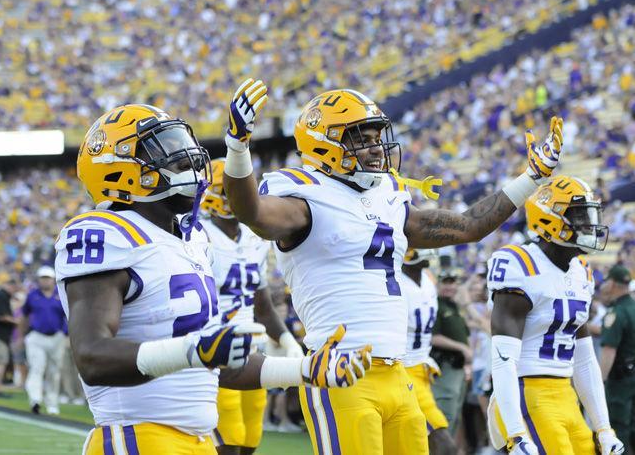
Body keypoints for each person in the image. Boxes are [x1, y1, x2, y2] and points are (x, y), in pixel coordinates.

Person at [221, 78, 564, 455]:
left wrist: (531, 177)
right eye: (360, 138)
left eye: (375, 136)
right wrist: (238, 148)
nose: (374, 148)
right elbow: (250, 211)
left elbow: (468, 227)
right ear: (324, 143)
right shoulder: (303, 195)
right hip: (339, 373)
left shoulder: (387, 197)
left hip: (399, 375)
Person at [55, 103, 371, 454]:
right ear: (122, 170)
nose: (188, 158)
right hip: (137, 437)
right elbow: (91, 356)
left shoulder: (193, 239)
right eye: (167, 149)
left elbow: (225, 367)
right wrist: (195, 351)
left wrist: (305, 370)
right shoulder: (105, 233)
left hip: (200, 439)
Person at [487, 175, 624, 455]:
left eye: (590, 215)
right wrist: (516, 434)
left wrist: (603, 427)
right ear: (550, 218)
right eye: (579, 216)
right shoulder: (520, 264)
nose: (589, 224)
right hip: (527, 392)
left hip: (566, 394)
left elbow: (585, 361)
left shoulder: (581, 271)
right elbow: (502, 362)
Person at [200, 158, 304, 455]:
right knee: (227, 444)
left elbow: (262, 306)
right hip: (217, 351)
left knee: (249, 442)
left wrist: (286, 340)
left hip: (251, 351)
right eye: (231, 190)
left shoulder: (253, 238)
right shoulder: (200, 237)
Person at [401, 248, 457, 454]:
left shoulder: (428, 278)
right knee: (443, 441)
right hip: (402, 369)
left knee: (416, 443)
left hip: (421, 367)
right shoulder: (394, 282)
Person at [20, 266, 67, 415]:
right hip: (36, 336)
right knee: (37, 367)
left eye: (47, 278)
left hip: (57, 337)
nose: (45, 281)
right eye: (42, 278)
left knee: (54, 371)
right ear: (39, 280)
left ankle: (52, 403)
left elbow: (69, 316)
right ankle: (35, 400)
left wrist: (68, 335)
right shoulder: (32, 295)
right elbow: (24, 316)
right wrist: (21, 336)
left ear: (53, 279)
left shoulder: (61, 294)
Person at [429, 269, 471, 436]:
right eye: (445, 282)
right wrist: (462, 348)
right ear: (437, 284)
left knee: (454, 415)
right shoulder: (435, 304)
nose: (449, 286)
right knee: (445, 413)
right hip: (444, 365)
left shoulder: (453, 306)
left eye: (452, 282)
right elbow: (433, 337)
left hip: (457, 367)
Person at [600, 265, 635, 452]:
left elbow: (609, 351)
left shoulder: (617, 313)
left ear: (612, 283)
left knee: (618, 429)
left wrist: (600, 381)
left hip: (620, 381)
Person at [0, 279, 21, 397]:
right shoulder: (2, 296)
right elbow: (2, 316)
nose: (14, 290)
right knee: (0, 363)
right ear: (9, 286)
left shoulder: (1, 296)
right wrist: (16, 321)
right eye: (14, 287)